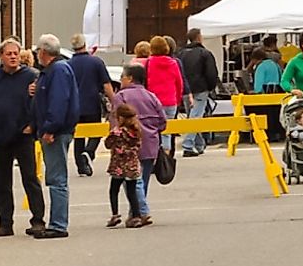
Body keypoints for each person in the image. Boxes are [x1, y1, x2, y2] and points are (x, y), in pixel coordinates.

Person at [0, 40, 44, 237]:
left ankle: (38, 221)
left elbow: (39, 104)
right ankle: (5, 223)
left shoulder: (31, 76)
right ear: (1, 56)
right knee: (2, 182)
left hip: (22, 136)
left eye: (16, 53)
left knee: (30, 179)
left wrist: (32, 126)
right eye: (9, 54)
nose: (13, 57)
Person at [28, 34, 80, 238]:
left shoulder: (58, 70)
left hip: (56, 132)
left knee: (57, 178)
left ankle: (58, 224)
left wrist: (50, 128)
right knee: (55, 176)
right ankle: (57, 221)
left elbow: (59, 102)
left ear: (43, 51)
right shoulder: (52, 71)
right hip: (55, 129)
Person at [106, 62, 167, 228]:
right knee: (142, 181)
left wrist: (113, 139)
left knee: (132, 182)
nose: (120, 80)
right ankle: (136, 213)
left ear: (130, 78)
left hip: (126, 147)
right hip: (150, 143)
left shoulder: (121, 96)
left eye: (122, 77)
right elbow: (163, 121)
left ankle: (142, 211)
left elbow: (114, 119)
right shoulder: (151, 96)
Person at [67, 40, 114, 177]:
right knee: (96, 132)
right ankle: (89, 151)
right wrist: (114, 101)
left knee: (78, 136)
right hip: (92, 103)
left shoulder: (68, 65)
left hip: (74, 105)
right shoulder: (96, 62)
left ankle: (81, 167)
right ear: (84, 45)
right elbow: (106, 85)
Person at [176, 29, 222, 155]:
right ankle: (188, 145)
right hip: (201, 88)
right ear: (199, 37)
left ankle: (199, 144)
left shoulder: (181, 54)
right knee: (196, 116)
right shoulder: (205, 53)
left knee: (192, 115)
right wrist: (211, 86)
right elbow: (211, 72)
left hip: (186, 89)